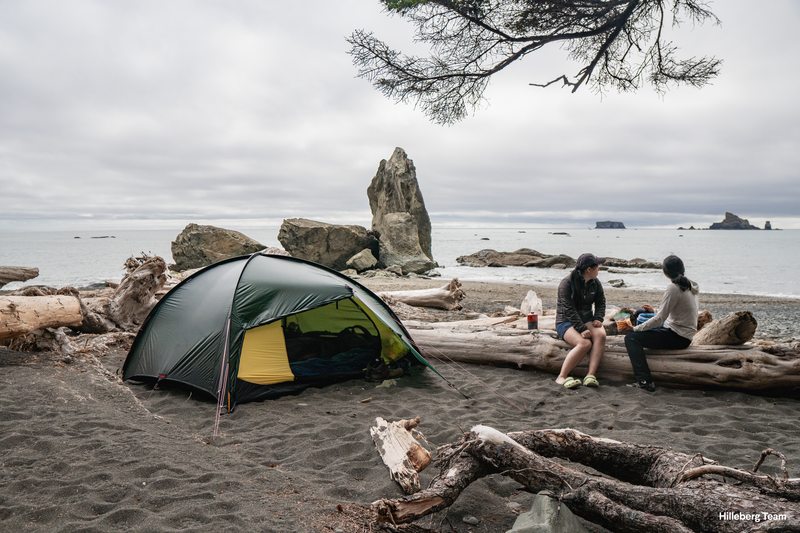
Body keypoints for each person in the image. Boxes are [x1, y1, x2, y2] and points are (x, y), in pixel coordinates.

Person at [624, 255, 699, 392]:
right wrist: (654, 311)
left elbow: (660, 319)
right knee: (640, 313)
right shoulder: (688, 285)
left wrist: (635, 329)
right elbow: (673, 311)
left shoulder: (674, 288)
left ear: (665, 272)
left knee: (631, 338)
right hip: (680, 331)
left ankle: (645, 381)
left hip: (679, 337)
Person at [554, 253, 607, 389]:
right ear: (589, 269)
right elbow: (568, 309)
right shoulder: (567, 283)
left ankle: (590, 375)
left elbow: (601, 303)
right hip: (565, 322)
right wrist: (581, 328)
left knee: (601, 335)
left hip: (586, 319)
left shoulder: (595, 283)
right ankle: (562, 377)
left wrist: (597, 319)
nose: (599, 269)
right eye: (597, 267)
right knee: (585, 344)